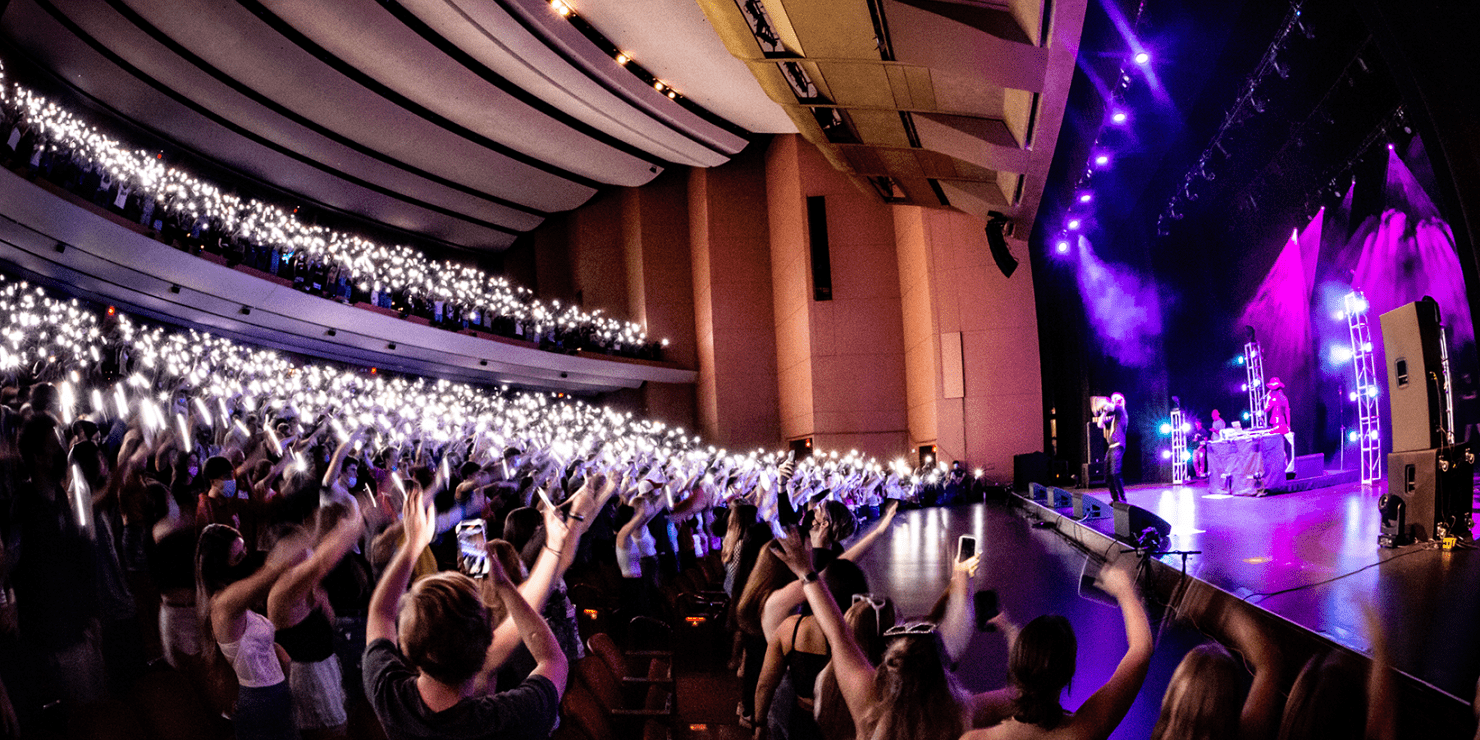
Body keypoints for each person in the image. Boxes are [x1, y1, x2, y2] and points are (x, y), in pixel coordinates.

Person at [362, 486, 567, 740]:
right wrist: (507, 584)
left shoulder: (390, 697)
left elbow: (380, 614)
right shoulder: (508, 717)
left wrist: (412, 545)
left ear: (406, 644)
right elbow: (554, 662)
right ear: (486, 644)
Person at [769, 526, 968, 740]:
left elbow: (838, 634)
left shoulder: (861, 696)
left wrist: (805, 572)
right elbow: (956, 633)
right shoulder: (953, 715)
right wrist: (963, 579)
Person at [964, 556, 1153, 740]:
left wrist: (1010, 631)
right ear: (1070, 672)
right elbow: (1141, 650)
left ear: (1015, 668)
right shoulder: (1085, 731)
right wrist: (1125, 591)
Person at [196, 523, 305, 740]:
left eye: (244, 550)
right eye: (238, 558)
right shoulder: (223, 603)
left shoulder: (238, 603)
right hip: (260, 701)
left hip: (275, 694)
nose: (246, 559)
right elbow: (266, 577)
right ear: (220, 567)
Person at [267, 501, 365, 738]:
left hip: (327, 663)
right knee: (332, 730)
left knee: (340, 725)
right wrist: (354, 524)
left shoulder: (314, 587)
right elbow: (323, 560)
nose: (307, 554)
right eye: (299, 551)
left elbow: (329, 625)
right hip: (308, 675)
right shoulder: (282, 594)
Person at [1095, 394, 1129, 504]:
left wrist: (1102, 404)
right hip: (1110, 448)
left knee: (1115, 472)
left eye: (1116, 399)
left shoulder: (1121, 411)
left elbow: (1109, 406)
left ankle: (1122, 498)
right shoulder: (1114, 417)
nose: (1115, 401)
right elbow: (1100, 424)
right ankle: (1115, 499)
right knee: (1107, 476)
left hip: (1118, 446)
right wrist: (1104, 413)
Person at [1264, 379, 1293, 474]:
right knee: (1281, 447)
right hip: (1283, 424)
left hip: (1276, 424)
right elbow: (1287, 412)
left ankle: (1280, 469)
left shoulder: (1274, 397)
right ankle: (1286, 467)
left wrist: (1268, 398)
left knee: (1277, 448)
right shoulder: (1284, 397)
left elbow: (1265, 409)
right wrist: (1288, 425)